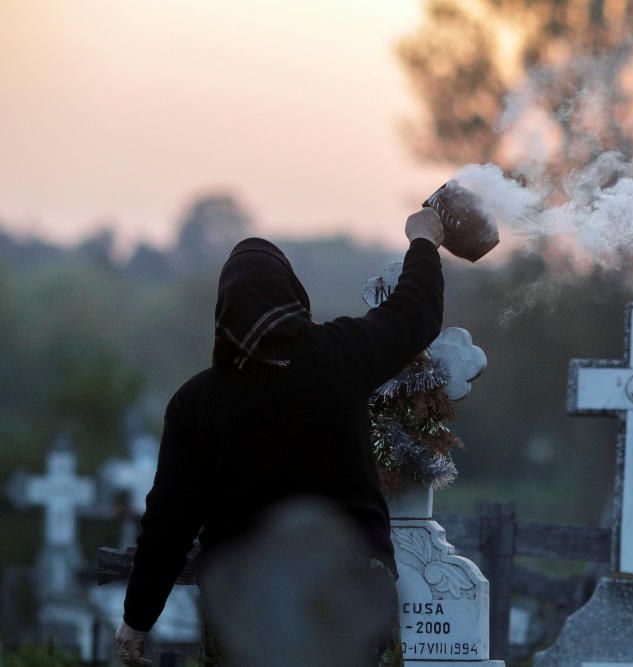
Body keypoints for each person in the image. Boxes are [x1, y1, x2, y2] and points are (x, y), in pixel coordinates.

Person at [114, 208, 445, 667]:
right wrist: (424, 240)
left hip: (244, 610)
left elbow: (169, 522)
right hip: (350, 594)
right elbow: (415, 314)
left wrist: (137, 620)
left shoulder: (197, 403)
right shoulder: (340, 355)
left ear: (224, 310)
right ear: (293, 294)